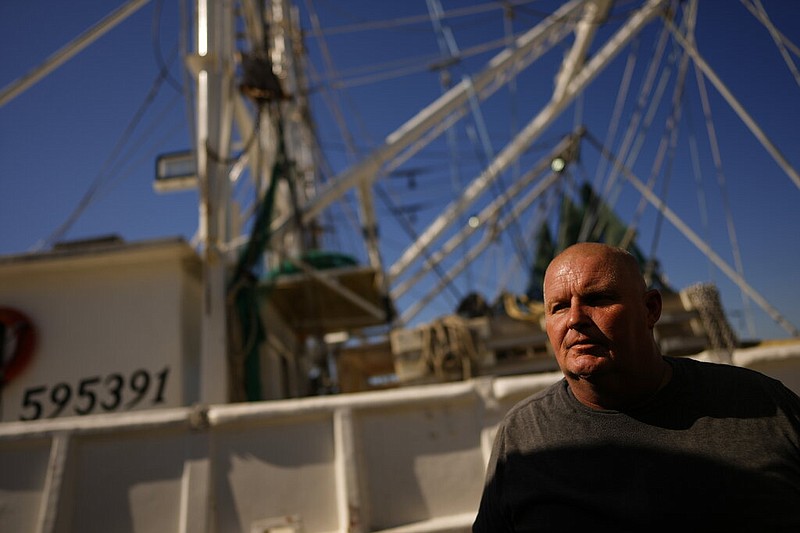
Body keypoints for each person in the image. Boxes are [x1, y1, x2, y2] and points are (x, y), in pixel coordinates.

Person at [473, 242, 800, 532]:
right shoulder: (523, 436)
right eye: (558, 307)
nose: (575, 319)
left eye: (598, 299)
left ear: (650, 309)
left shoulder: (761, 405)